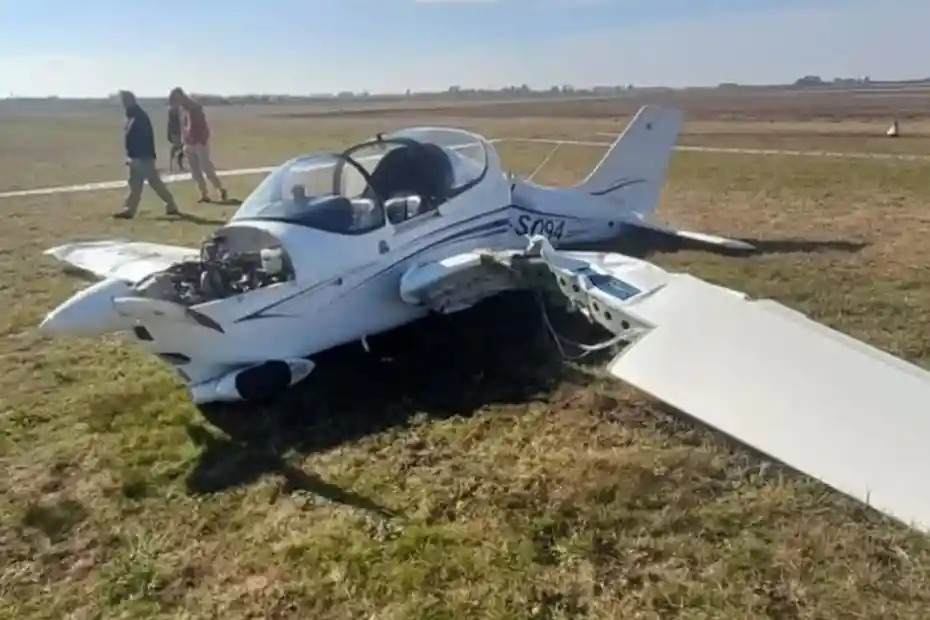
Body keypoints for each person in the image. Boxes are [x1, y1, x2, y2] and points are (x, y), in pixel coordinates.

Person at [114, 90, 181, 219]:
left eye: (124, 101)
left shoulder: (139, 117)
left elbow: (142, 138)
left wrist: (137, 157)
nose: (122, 104)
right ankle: (130, 210)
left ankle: (170, 204)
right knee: (136, 183)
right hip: (137, 157)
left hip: (143, 157)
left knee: (153, 183)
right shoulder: (133, 116)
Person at [168, 87, 228, 203]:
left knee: (207, 168)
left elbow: (202, 125)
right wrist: (183, 140)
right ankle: (204, 193)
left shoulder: (195, 107)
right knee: (195, 171)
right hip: (188, 143)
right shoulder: (182, 109)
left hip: (199, 142)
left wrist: (202, 140)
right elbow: (183, 126)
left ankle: (220, 190)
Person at [167, 104, 185, 172]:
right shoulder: (174, 110)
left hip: (178, 132)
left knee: (181, 148)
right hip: (176, 132)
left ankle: (178, 166)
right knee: (181, 148)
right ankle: (177, 166)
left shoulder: (176, 110)